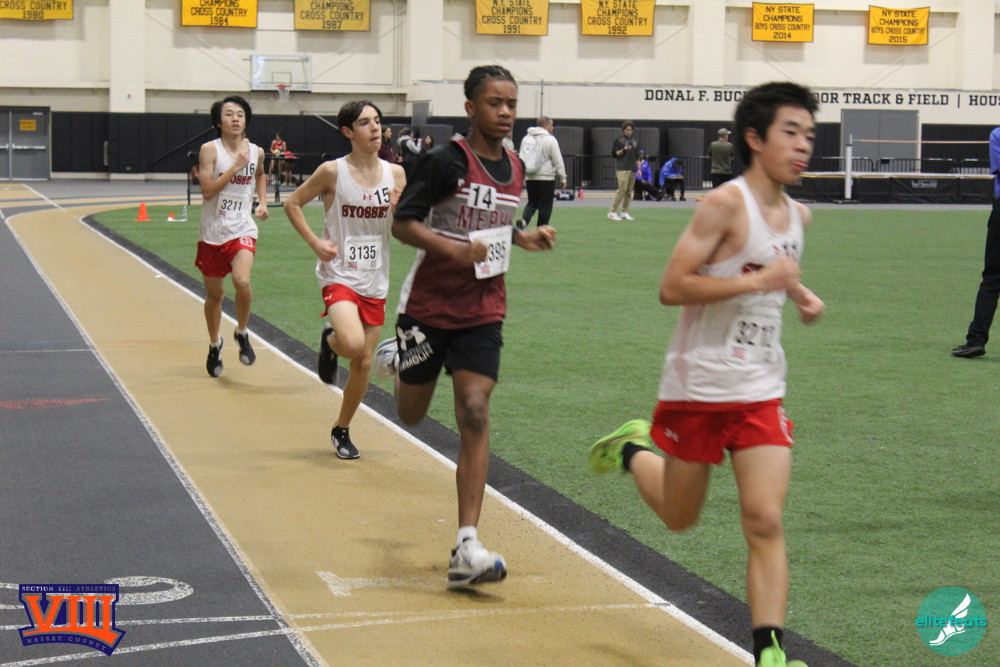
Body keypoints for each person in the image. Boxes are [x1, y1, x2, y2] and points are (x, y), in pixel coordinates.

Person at [588, 82, 823, 667]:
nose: (803, 145)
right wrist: (760, 282)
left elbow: (777, 268)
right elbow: (673, 287)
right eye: (791, 132)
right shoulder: (724, 205)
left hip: (761, 387)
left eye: (809, 135)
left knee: (764, 518)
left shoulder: (799, 215)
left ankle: (770, 653)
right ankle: (631, 450)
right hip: (698, 384)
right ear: (754, 138)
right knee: (679, 518)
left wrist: (800, 295)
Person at [373, 65, 557, 588]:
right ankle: (398, 359)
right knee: (411, 415)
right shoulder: (443, 160)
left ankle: (467, 546)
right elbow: (403, 224)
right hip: (428, 307)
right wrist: (454, 250)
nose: (505, 112)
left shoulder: (517, 166)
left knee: (474, 409)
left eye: (511, 103)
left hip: (483, 307)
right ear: (472, 108)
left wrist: (523, 237)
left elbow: (498, 221)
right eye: (495, 103)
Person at [283, 101, 406, 459]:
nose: (375, 128)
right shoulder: (332, 172)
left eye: (377, 121)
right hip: (338, 273)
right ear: (348, 132)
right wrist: (315, 242)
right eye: (365, 122)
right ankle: (332, 340)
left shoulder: (396, 175)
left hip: (375, 279)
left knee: (363, 363)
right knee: (352, 344)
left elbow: (403, 232)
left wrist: (401, 213)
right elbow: (292, 203)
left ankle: (341, 429)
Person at [195, 95, 269, 378]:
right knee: (215, 295)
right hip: (213, 231)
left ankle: (242, 331)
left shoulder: (257, 151)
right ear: (218, 121)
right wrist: (235, 168)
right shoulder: (209, 150)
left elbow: (260, 174)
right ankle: (215, 344)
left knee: (242, 281)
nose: (235, 118)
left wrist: (262, 202)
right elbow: (207, 191)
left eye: (240, 114)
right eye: (229, 114)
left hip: (242, 227)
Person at [952, 126, 1000, 358]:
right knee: (992, 278)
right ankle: (976, 340)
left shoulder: (997, 134)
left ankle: (976, 340)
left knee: (992, 279)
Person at [517, 116, 567, 228]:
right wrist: (562, 177)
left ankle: (524, 220)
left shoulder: (526, 138)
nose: (552, 128)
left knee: (532, 202)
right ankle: (541, 229)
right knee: (545, 205)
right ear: (545, 126)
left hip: (530, 177)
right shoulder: (550, 140)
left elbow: (522, 157)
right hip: (546, 177)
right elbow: (558, 160)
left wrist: (522, 174)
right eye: (551, 125)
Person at [609, 120, 639, 220]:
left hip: (632, 169)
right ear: (623, 130)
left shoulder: (635, 142)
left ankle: (624, 212)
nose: (629, 132)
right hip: (622, 168)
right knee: (622, 190)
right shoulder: (619, 141)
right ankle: (612, 212)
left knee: (629, 192)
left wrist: (639, 168)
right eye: (627, 130)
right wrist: (623, 150)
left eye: (630, 130)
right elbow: (614, 154)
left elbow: (638, 156)